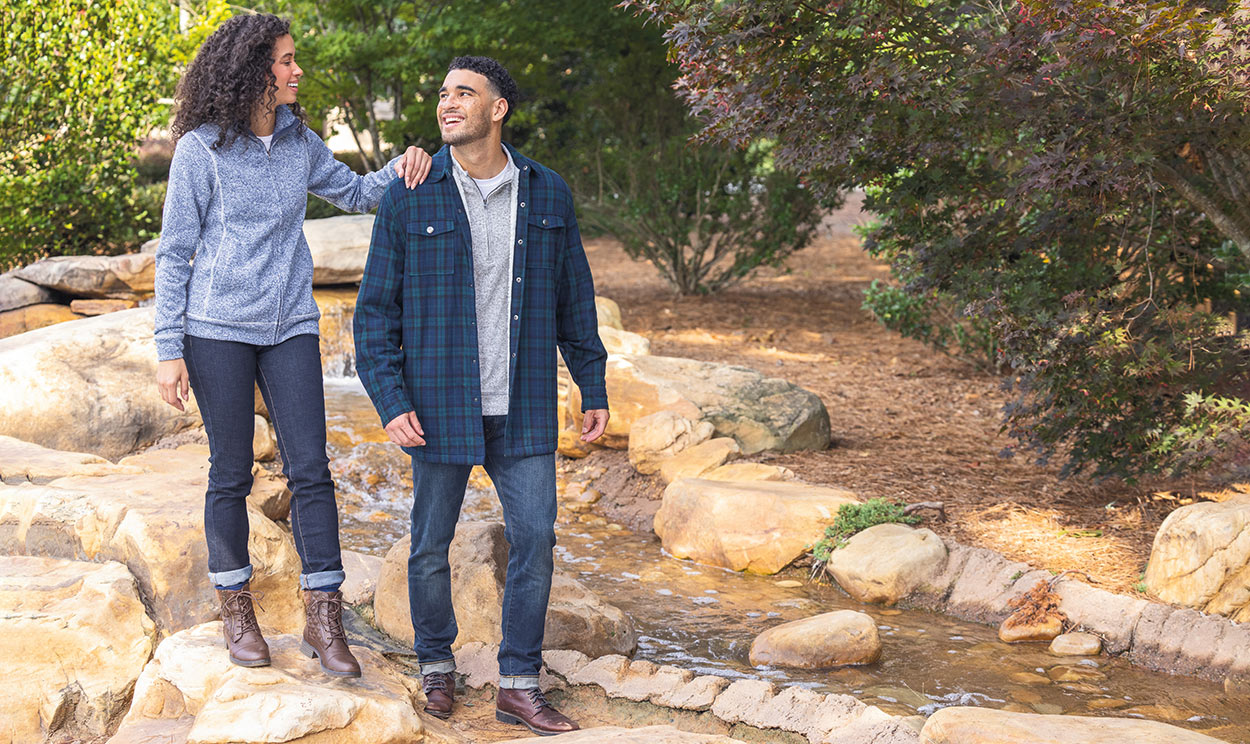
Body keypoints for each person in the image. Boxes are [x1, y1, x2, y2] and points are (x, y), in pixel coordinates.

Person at [153, 13, 432, 679]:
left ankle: (323, 615)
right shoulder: (202, 151)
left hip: (290, 327)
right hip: (216, 328)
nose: (296, 70)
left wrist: (405, 165)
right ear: (254, 70)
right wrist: (169, 348)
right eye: (285, 60)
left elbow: (356, 193)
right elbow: (173, 255)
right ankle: (236, 610)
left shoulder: (297, 140)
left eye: (292, 59)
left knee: (312, 468)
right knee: (230, 471)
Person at [354, 56, 609, 734]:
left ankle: (518, 684)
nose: (448, 104)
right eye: (442, 94)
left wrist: (594, 382)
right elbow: (374, 313)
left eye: (463, 93)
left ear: (498, 108)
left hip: (522, 403)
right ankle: (435, 666)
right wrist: (390, 399)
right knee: (428, 544)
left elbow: (573, 298)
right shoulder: (412, 191)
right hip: (438, 404)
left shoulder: (547, 192)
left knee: (536, 539)